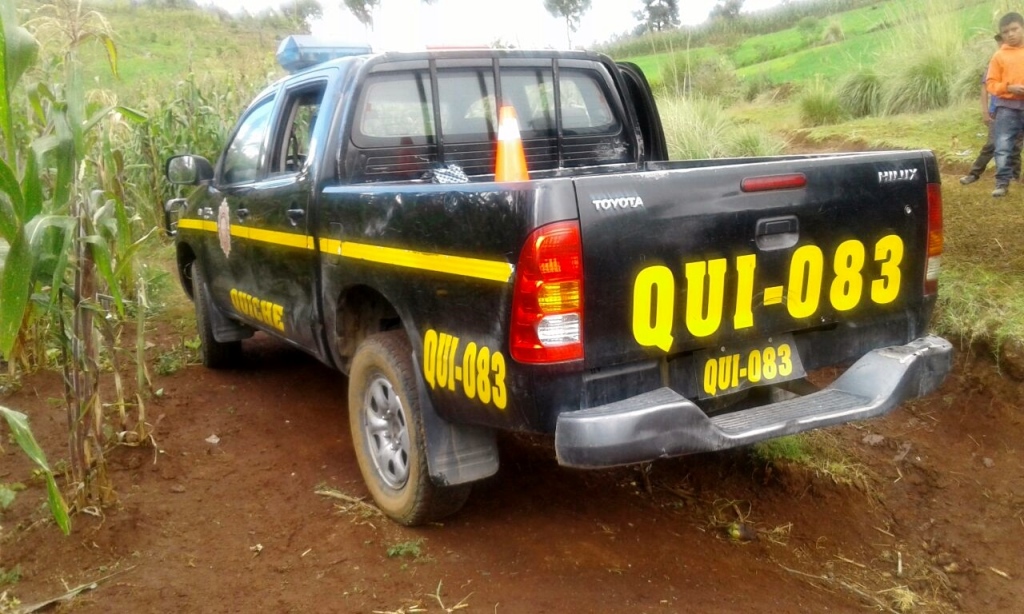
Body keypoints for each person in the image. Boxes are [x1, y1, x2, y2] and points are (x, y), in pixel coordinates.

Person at [960, 34, 1022, 185]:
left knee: (1015, 146)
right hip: (998, 112)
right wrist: (985, 112)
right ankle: (974, 174)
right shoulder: (995, 61)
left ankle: (1014, 178)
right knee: (992, 144)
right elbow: (985, 89)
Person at [986, 12, 1024, 197]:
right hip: (1007, 108)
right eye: (1005, 31)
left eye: (1014, 29)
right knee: (1002, 146)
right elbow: (991, 84)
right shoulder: (998, 57)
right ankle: (1002, 183)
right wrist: (1009, 87)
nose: (1010, 34)